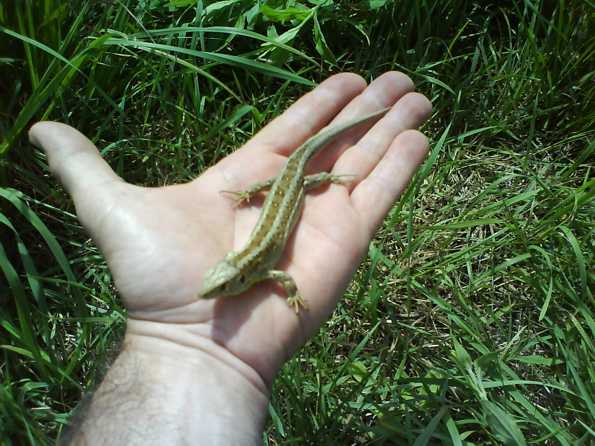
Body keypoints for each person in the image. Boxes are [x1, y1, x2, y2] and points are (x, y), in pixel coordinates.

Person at [29, 72, 432, 445]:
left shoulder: (258, 269)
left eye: (221, 285)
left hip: (294, 185)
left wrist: (319, 184)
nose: (215, 290)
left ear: (238, 279)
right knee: (294, 173)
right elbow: (273, 275)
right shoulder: (247, 265)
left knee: (303, 178)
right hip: (281, 186)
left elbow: (283, 277)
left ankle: (327, 171)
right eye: (218, 282)